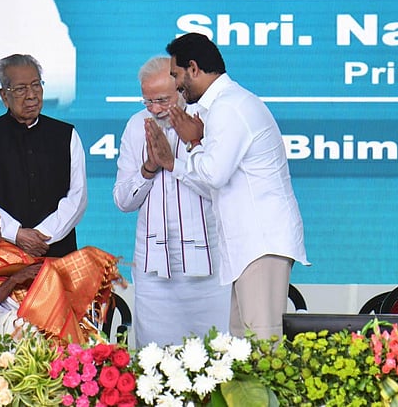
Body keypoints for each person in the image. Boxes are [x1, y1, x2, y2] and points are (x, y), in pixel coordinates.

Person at [160, 32, 309, 339]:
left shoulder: (229, 107)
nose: (175, 85)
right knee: (244, 347)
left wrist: (194, 142)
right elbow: (213, 186)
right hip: (249, 247)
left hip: (261, 243)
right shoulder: (223, 105)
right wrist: (176, 162)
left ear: (193, 68)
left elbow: (213, 175)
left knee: (263, 343)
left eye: (176, 75)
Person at [113, 56, 230, 347]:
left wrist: (175, 161)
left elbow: (218, 188)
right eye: (148, 101)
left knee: (218, 355)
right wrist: (148, 168)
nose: (154, 109)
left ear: (180, 88)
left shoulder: (207, 120)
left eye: (162, 100)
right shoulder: (136, 126)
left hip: (209, 268)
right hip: (155, 271)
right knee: (156, 359)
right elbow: (123, 201)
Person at [0, 191, 122, 344]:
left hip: (23, 312)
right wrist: (13, 281)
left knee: (83, 267)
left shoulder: (1, 247)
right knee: (29, 330)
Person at [0, 54, 87, 258]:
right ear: (4, 96)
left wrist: (44, 234)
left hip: (58, 252)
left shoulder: (66, 134)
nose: (31, 95)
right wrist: (15, 234)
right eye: (21, 89)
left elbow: (77, 197)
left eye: (36, 85)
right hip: (2, 252)